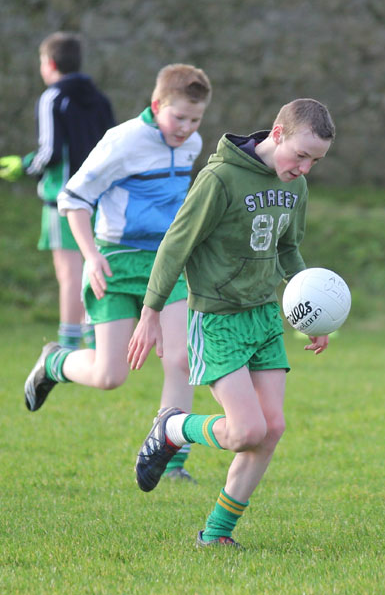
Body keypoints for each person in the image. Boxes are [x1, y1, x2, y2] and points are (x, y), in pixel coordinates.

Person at [128, 98, 336, 547]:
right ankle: (171, 427)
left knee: (272, 428)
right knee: (246, 432)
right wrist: (150, 313)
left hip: (262, 316)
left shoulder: (296, 187)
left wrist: (313, 312)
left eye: (315, 161)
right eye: (301, 155)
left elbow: (287, 250)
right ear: (276, 134)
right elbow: (175, 245)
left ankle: (216, 536)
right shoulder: (220, 178)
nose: (305, 168)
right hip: (217, 318)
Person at [24, 63, 213, 481]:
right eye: (178, 117)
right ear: (156, 105)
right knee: (111, 376)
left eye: (195, 119)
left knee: (180, 358)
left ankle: (172, 460)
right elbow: (72, 199)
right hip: (114, 260)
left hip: (165, 262)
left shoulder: (192, 143)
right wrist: (90, 256)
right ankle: (54, 362)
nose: (186, 128)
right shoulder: (123, 141)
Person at [0, 31, 116, 350]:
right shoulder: (100, 99)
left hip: (62, 200)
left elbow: (48, 153)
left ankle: (67, 345)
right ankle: (95, 337)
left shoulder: (53, 97)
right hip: (98, 198)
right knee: (91, 266)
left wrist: (23, 166)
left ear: (49, 63)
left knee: (69, 272)